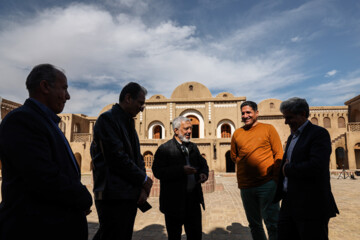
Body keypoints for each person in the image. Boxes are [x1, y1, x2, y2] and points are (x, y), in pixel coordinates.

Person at [0, 64, 93, 240]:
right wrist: (82, 197)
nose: (68, 96)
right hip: (36, 228)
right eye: (64, 88)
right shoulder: (22, 120)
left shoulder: (47, 122)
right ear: (45, 87)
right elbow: (43, 176)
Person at [91, 82, 153, 240]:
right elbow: (116, 157)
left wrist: (142, 186)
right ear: (128, 98)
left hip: (127, 195)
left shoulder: (128, 122)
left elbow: (137, 157)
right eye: (140, 103)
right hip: (113, 195)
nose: (142, 108)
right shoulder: (108, 120)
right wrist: (143, 179)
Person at [274, 97, 339, 240]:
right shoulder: (292, 137)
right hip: (289, 201)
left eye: (289, 117)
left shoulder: (318, 134)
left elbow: (317, 165)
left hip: (311, 204)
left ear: (303, 114)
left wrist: (288, 169)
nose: (286, 122)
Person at [230, 101, 283, 240]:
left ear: (256, 113)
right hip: (246, 186)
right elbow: (234, 156)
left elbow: (278, 154)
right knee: (254, 224)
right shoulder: (237, 133)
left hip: (267, 184)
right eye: (243, 113)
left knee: (273, 222)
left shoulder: (268, 129)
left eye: (248, 112)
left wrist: (275, 178)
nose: (245, 115)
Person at [152, 116, 209, 240]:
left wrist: (203, 173)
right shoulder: (164, 149)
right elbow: (157, 171)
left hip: (193, 202)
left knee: (195, 236)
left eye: (191, 128)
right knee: (174, 236)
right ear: (176, 130)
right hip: (173, 203)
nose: (189, 131)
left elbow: (202, 163)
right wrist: (181, 170)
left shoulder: (193, 147)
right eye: (186, 128)